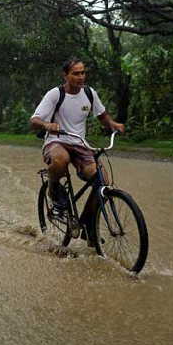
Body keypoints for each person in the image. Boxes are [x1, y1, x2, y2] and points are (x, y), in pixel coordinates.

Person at [30, 57, 125, 237]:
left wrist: (113, 124)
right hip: (56, 142)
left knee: (102, 180)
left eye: (83, 73)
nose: (81, 77)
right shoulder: (55, 94)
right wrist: (46, 125)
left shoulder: (89, 93)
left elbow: (102, 115)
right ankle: (53, 190)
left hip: (80, 144)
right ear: (65, 75)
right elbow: (34, 120)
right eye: (76, 73)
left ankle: (88, 224)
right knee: (61, 159)